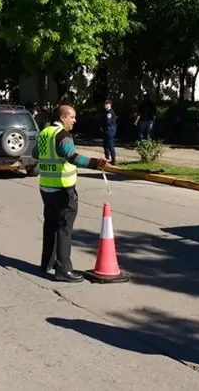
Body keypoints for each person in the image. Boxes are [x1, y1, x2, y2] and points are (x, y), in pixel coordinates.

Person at [33, 105, 108, 283]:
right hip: (63, 189)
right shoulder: (63, 136)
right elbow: (71, 156)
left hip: (46, 187)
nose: (75, 120)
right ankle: (63, 269)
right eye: (72, 117)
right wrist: (96, 163)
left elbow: (35, 153)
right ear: (62, 117)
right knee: (64, 228)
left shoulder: (44, 133)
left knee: (50, 225)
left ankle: (47, 264)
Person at [100, 99, 117, 165]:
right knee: (105, 144)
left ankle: (113, 160)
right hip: (107, 129)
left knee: (110, 144)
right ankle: (107, 158)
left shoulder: (109, 112)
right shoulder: (106, 111)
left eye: (106, 104)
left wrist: (103, 126)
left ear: (110, 104)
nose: (105, 105)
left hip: (110, 129)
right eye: (105, 104)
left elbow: (108, 122)